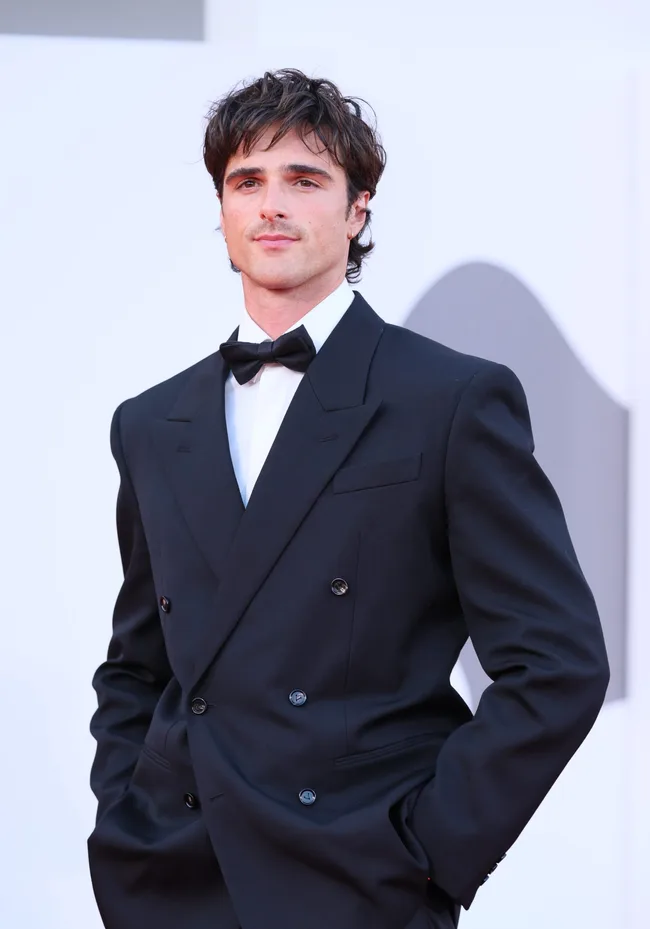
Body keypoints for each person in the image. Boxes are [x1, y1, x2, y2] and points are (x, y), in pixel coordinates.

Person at [87, 68, 610, 929]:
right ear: (221, 208)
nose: (272, 205)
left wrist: (431, 851)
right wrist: (124, 820)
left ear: (358, 208)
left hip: (358, 883)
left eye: (305, 179)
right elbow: (139, 666)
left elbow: (558, 663)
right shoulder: (150, 423)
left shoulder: (449, 400)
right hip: (174, 882)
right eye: (247, 181)